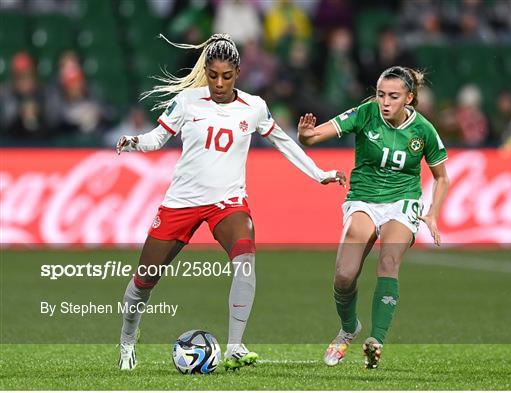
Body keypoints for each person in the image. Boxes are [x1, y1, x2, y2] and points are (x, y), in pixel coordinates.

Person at [115, 33, 346, 371]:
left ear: (238, 72)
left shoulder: (254, 107)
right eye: (213, 75)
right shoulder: (187, 102)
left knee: (245, 257)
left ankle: (235, 346)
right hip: (181, 201)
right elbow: (157, 138)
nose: (219, 83)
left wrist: (319, 173)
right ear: (205, 72)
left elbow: (285, 143)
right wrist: (134, 141)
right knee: (144, 280)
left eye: (226, 76)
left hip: (228, 202)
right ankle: (127, 341)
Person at [298, 66, 449, 369]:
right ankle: (348, 328)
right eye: (381, 94)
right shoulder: (365, 114)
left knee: (388, 262)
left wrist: (432, 212)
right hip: (364, 200)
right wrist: (305, 135)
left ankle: (376, 340)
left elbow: (441, 177)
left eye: (393, 96)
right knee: (343, 276)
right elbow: (314, 137)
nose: (385, 102)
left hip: (403, 202)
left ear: (410, 97)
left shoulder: (424, 130)